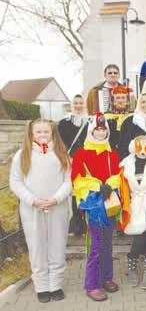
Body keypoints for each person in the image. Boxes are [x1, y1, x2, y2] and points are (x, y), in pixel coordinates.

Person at [10, 118, 71, 303]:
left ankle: (55, 284)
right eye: (39, 132)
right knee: (36, 247)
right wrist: (33, 200)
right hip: (32, 210)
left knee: (57, 245)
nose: (43, 135)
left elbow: (68, 181)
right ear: (31, 134)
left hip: (57, 208)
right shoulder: (22, 155)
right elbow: (16, 182)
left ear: (53, 133)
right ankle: (42, 286)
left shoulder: (61, 154)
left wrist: (56, 198)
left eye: (47, 132)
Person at [71, 112, 121, 301]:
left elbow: (118, 174)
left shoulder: (112, 153)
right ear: (91, 130)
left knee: (108, 244)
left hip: (109, 203)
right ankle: (91, 284)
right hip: (93, 205)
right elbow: (77, 179)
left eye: (103, 129)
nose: (100, 133)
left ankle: (106, 277)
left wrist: (110, 184)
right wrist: (98, 186)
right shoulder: (81, 154)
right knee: (96, 244)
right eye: (97, 129)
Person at [120, 136, 146, 289]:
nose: (143, 151)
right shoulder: (126, 164)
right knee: (139, 237)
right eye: (140, 147)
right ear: (133, 147)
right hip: (135, 203)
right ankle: (132, 266)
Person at [58, 94, 88, 237]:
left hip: (85, 161)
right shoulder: (63, 123)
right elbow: (60, 142)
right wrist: (66, 155)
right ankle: (74, 223)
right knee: (72, 193)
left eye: (81, 103)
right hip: (69, 160)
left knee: (83, 192)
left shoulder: (89, 122)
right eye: (75, 103)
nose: (78, 105)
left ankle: (83, 223)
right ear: (72, 105)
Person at [104, 85, 134, 150]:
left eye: (123, 98)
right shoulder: (106, 117)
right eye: (117, 98)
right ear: (113, 102)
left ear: (127, 102)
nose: (120, 100)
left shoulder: (134, 117)